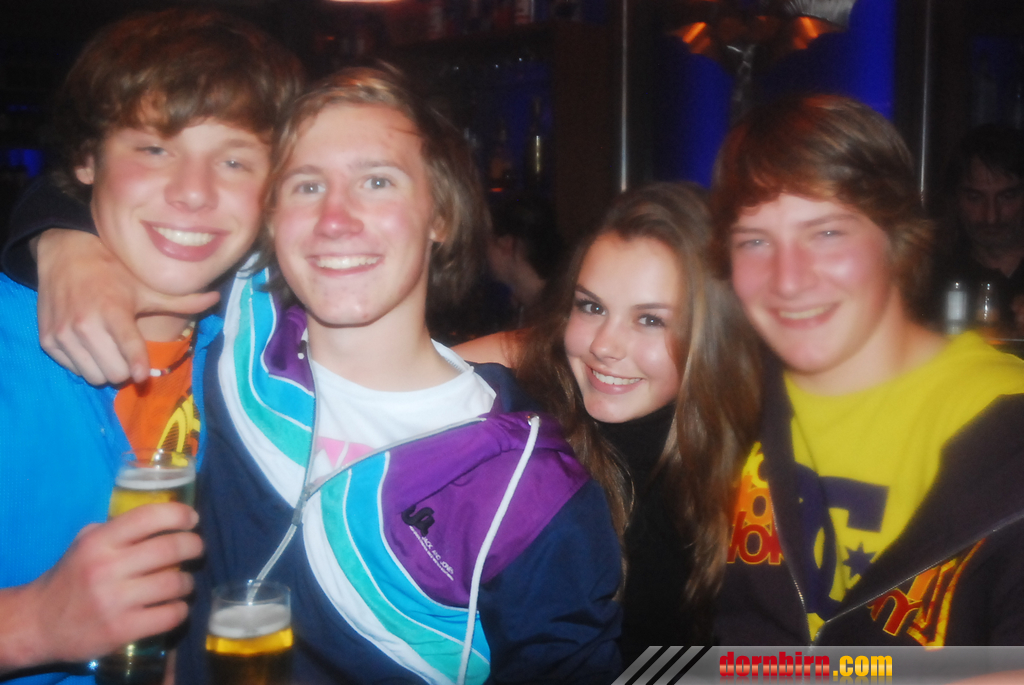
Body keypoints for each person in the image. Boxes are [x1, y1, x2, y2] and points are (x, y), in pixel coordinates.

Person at [0, 8, 302, 684]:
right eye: (154, 148)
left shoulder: (258, 351)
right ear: (87, 159)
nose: (193, 192)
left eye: (234, 160)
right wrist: (30, 624)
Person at [709, 94, 1024, 645]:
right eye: (755, 241)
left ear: (897, 237)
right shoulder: (729, 402)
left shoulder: (1004, 427)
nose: (788, 279)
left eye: (827, 233)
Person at [456, 182, 762, 660]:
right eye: (592, 307)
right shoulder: (526, 428)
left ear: (711, 334)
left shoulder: (758, 458)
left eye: (650, 320)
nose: (604, 345)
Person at [932, 124, 1024, 334]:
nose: (991, 216)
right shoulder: (929, 275)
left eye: (1007, 197)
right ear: (955, 198)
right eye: (975, 198)